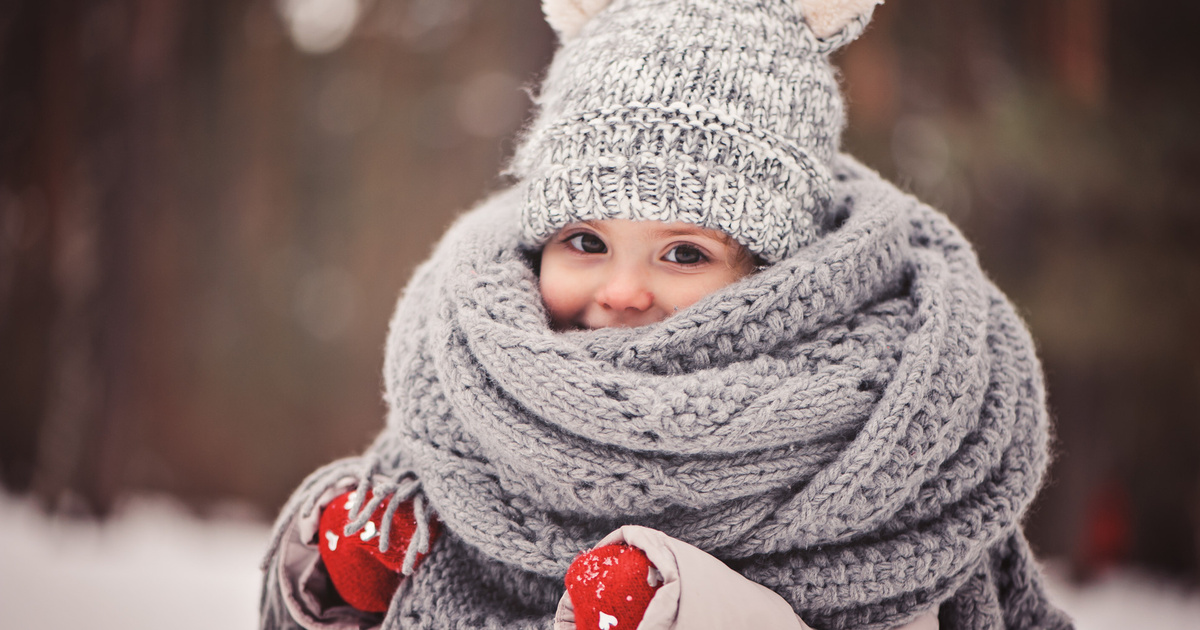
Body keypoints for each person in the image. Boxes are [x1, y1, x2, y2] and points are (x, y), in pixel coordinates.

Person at [259, 1, 1074, 629]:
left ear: (779, 276)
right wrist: (342, 581)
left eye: (683, 254)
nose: (620, 291)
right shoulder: (477, 392)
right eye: (585, 240)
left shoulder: (894, 439)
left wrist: (682, 605)